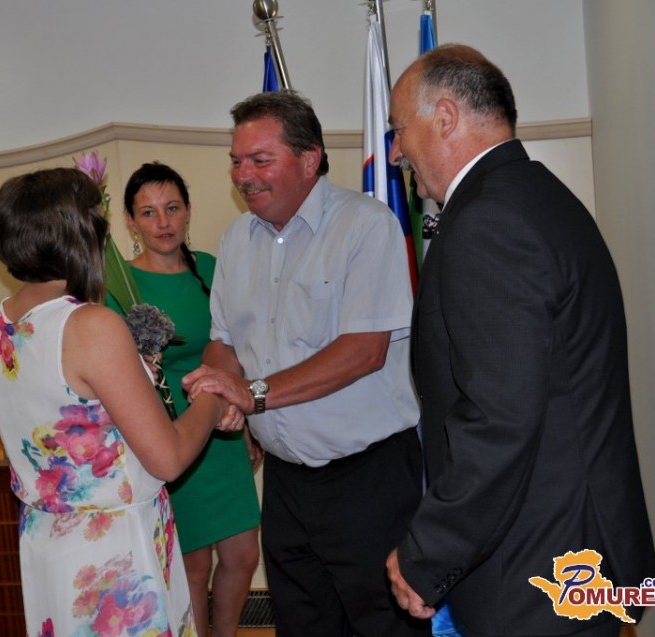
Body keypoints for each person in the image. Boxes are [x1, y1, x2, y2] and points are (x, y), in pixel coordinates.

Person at [385, 44, 655, 637]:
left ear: (446, 117)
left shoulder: (489, 222)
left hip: (536, 568)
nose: (395, 152)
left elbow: (500, 422)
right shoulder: (539, 196)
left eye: (399, 129)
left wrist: (426, 553)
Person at [184, 91, 429, 636]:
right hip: (286, 485)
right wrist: (219, 385)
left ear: (310, 158)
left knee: (387, 627)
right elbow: (224, 342)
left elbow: (364, 351)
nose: (243, 175)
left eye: (260, 160)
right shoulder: (236, 240)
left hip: (368, 479)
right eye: (236, 161)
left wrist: (252, 394)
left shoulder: (365, 225)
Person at [0, 167, 245, 637]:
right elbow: (167, 457)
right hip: (112, 548)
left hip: (50, 540)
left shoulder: (1, 322)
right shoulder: (90, 325)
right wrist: (213, 390)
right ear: (80, 233)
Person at [106, 161, 261, 637]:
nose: (163, 222)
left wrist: (247, 422)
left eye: (172, 208)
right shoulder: (119, 287)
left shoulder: (211, 268)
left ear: (188, 211)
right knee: (192, 562)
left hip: (224, 431)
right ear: (130, 221)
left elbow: (237, 350)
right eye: (148, 212)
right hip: (170, 436)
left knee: (243, 554)